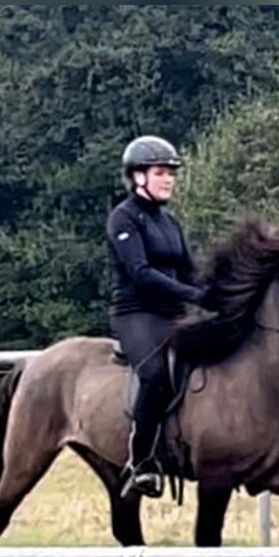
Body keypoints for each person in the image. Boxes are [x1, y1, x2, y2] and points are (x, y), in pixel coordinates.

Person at [106, 135, 209, 498]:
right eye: (161, 172)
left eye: (171, 174)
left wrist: (220, 294)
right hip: (137, 313)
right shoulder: (123, 218)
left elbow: (190, 269)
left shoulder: (170, 223)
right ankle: (142, 461)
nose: (169, 180)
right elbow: (142, 274)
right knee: (154, 375)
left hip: (173, 314)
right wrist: (192, 295)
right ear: (138, 177)